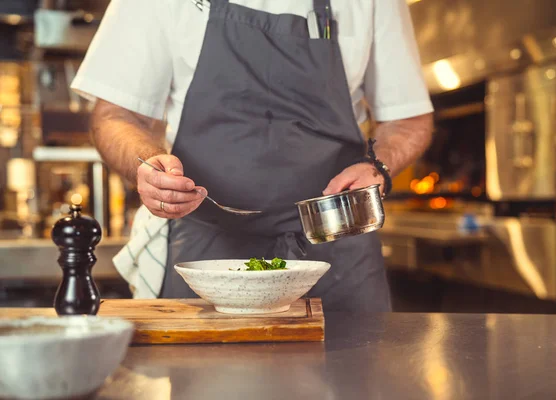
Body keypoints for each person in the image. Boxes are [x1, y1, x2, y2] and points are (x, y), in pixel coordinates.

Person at [72, 0, 433, 312]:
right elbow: (115, 116)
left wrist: (379, 166)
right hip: (208, 256)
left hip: (337, 248)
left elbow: (409, 120)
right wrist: (148, 164)